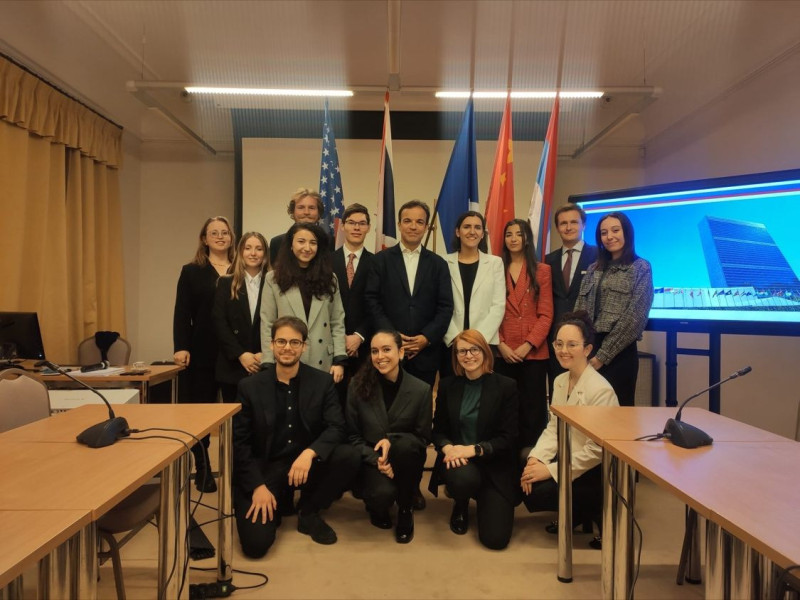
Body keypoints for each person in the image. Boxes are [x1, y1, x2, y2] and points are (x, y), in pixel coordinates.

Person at [232, 316, 360, 558]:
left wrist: (309, 453)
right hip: (267, 467)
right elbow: (239, 443)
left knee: (349, 455)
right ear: (271, 345)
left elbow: (337, 427)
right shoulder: (249, 387)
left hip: (306, 464)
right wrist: (257, 486)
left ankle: (309, 510)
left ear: (304, 346)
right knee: (256, 545)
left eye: (294, 342)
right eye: (281, 341)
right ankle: (279, 500)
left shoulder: (322, 382)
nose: (287, 348)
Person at [521, 310, 619, 549]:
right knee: (525, 459)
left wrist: (550, 470)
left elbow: (597, 451)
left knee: (539, 490)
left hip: (595, 469)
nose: (563, 350)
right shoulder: (560, 381)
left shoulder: (601, 390)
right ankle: (577, 512)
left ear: (587, 349)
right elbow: (554, 427)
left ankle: (593, 511)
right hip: (569, 455)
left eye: (572, 344)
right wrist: (537, 459)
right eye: (559, 344)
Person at [429, 330, 519, 550]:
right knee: (463, 480)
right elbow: (438, 431)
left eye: (474, 349)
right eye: (462, 351)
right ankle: (461, 502)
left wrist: (475, 449)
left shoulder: (506, 386)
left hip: (494, 464)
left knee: (495, 540)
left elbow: (509, 438)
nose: (468, 356)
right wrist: (448, 448)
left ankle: (485, 498)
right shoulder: (448, 386)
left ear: (485, 351)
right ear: (456, 356)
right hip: (461, 464)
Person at [346, 330, 432, 544]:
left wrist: (392, 442)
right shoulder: (357, 385)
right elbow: (352, 436)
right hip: (372, 459)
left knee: (407, 448)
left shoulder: (421, 389)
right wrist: (378, 460)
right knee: (381, 495)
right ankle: (377, 507)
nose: (380, 356)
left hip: (406, 459)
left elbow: (422, 438)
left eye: (386, 349)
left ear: (401, 353)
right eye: (374, 351)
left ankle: (405, 509)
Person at [173, 216, 235, 492]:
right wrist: (181, 346)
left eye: (225, 232)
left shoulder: (242, 268)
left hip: (236, 353)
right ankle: (203, 468)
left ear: (231, 237)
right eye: (214, 233)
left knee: (238, 415)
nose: (220, 237)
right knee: (201, 413)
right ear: (204, 239)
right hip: (202, 352)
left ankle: (237, 469)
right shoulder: (191, 271)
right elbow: (182, 312)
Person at [364, 200, 454, 388]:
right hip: (388, 353)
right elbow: (371, 301)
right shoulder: (380, 261)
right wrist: (392, 337)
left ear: (426, 227)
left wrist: (426, 338)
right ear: (399, 225)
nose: (413, 226)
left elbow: (445, 307)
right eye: (407, 221)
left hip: (426, 354)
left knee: (421, 403)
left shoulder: (438, 264)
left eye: (419, 222)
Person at [574, 211, 654, 406]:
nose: (609, 236)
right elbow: (579, 310)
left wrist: (603, 356)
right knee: (586, 411)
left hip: (620, 353)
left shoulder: (640, 268)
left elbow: (635, 318)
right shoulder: (593, 269)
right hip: (588, 348)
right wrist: (580, 349)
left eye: (615, 230)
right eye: (604, 233)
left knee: (618, 413)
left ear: (627, 232)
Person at [260, 222, 347, 383]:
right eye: (301, 241)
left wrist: (339, 360)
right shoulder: (273, 279)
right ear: (291, 245)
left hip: (323, 362)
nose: (307, 248)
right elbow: (267, 323)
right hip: (286, 360)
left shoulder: (330, 278)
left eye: (313, 243)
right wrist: (268, 361)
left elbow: (337, 322)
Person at [495, 219, 553, 450]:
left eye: (519, 234)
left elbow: (546, 314)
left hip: (533, 353)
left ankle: (531, 460)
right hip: (502, 351)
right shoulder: (495, 268)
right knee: (504, 410)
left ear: (527, 238)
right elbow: (488, 310)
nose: (513, 239)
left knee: (533, 411)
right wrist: (500, 344)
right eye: (509, 234)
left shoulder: (542, 270)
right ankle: (506, 461)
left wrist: (528, 344)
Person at [442, 211, 505, 378]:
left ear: (483, 234)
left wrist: (477, 341)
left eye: (477, 227)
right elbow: (440, 305)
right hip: (452, 342)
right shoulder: (443, 262)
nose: (472, 231)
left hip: (485, 342)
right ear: (458, 232)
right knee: (452, 389)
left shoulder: (495, 263)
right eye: (467, 227)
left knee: (484, 390)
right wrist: (456, 339)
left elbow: (498, 306)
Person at [545, 205, 598, 392]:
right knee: (558, 392)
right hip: (557, 342)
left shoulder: (598, 256)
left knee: (586, 396)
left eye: (574, 222)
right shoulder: (547, 260)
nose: (568, 227)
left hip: (586, 340)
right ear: (557, 227)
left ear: (584, 225)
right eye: (563, 223)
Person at [213, 232, 269, 403]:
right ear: (240, 252)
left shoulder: (274, 283)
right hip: (233, 366)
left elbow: (279, 322)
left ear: (265, 254)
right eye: (248, 248)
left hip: (263, 363)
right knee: (235, 416)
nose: (253, 253)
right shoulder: (225, 283)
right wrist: (241, 354)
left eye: (259, 249)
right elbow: (219, 323)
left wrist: (266, 353)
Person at [332, 203, 375, 394]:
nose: (356, 227)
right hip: (332, 345)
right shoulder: (326, 261)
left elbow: (378, 305)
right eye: (351, 222)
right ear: (342, 226)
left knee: (363, 399)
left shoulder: (377, 263)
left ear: (368, 228)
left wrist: (359, 336)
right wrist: (340, 337)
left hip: (365, 346)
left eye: (362, 223)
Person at [269, 188, 326, 266]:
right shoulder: (277, 243)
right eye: (301, 207)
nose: (306, 212)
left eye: (311, 208)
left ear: (319, 212)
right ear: (293, 211)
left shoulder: (331, 242)